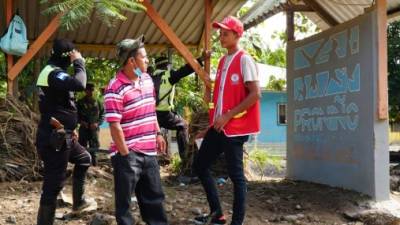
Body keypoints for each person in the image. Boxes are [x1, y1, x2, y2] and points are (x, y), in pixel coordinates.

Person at [192, 16, 261, 225]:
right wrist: (209, 127)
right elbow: (220, 100)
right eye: (220, 33)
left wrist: (228, 116)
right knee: (200, 165)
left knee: (236, 177)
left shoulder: (244, 59)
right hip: (219, 127)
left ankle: (236, 222)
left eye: (225, 34)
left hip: (236, 129)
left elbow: (255, 94)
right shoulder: (223, 61)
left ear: (237, 35)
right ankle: (217, 214)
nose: (221, 37)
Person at [104, 35, 168, 225]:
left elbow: (151, 110)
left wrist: (157, 133)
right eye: (144, 57)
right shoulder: (114, 88)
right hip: (128, 154)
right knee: (124, 207)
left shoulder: (147, 79)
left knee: (154, 200)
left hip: (149, 153)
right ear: (132, 61)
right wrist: (126, 155)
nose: (147, 60)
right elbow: (114, 125)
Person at [35, 39, 93, 225]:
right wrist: (79, 62)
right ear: (67, 57)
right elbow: (79, 84)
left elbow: (62, 103)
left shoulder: (53, 72)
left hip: (64, 134)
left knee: (84, 158)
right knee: (53, 184)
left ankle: (79, 202)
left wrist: (72, 128)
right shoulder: (53, 73)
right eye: (72, 55)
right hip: (56, 137)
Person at [151, 55, 203, 160]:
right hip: (165, 115)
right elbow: (186, 70)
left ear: (156, 67)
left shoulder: (149, 77)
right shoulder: (169, 75)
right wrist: (200, 59)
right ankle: (185, 159)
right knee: (182, 126)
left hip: (150, 115)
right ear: (167, 66)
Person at [77, 83, 104, 166]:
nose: (91, 92)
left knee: (94, 149)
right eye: (89, 90)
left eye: (92, 90)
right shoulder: (80, 102)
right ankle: (82, 166)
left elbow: (102, 115)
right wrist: (81, 122)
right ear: (85, 91)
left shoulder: (98, 102)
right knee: (82, 148)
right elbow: (76, 115)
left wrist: (97, 123)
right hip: (83, 129)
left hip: (94, 130)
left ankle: (94, 166)